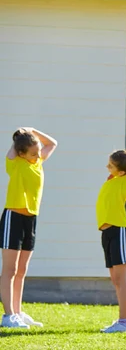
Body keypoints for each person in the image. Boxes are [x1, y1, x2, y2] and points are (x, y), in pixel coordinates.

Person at [1, 128, 58, 329]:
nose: (37, 156)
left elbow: (53, 143)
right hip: (13, 218)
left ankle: (17, 311)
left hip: (31, 219)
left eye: (38, 152)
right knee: (10, 269)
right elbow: (13, 150)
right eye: (33, 153)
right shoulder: (15, 164)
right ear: (21, 153)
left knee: (22, 270)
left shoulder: (38, 162)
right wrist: (19, 137)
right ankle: (8, 316)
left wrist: (33, 131)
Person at [96, 147, 126, 333]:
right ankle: (123, 320)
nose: (107, 167)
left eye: (111, 165)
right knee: (115, 279)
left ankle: (124, 322)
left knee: (121, 279)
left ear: (121, 171)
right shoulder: (113, 180)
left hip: (119, 230)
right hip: (107, 232)